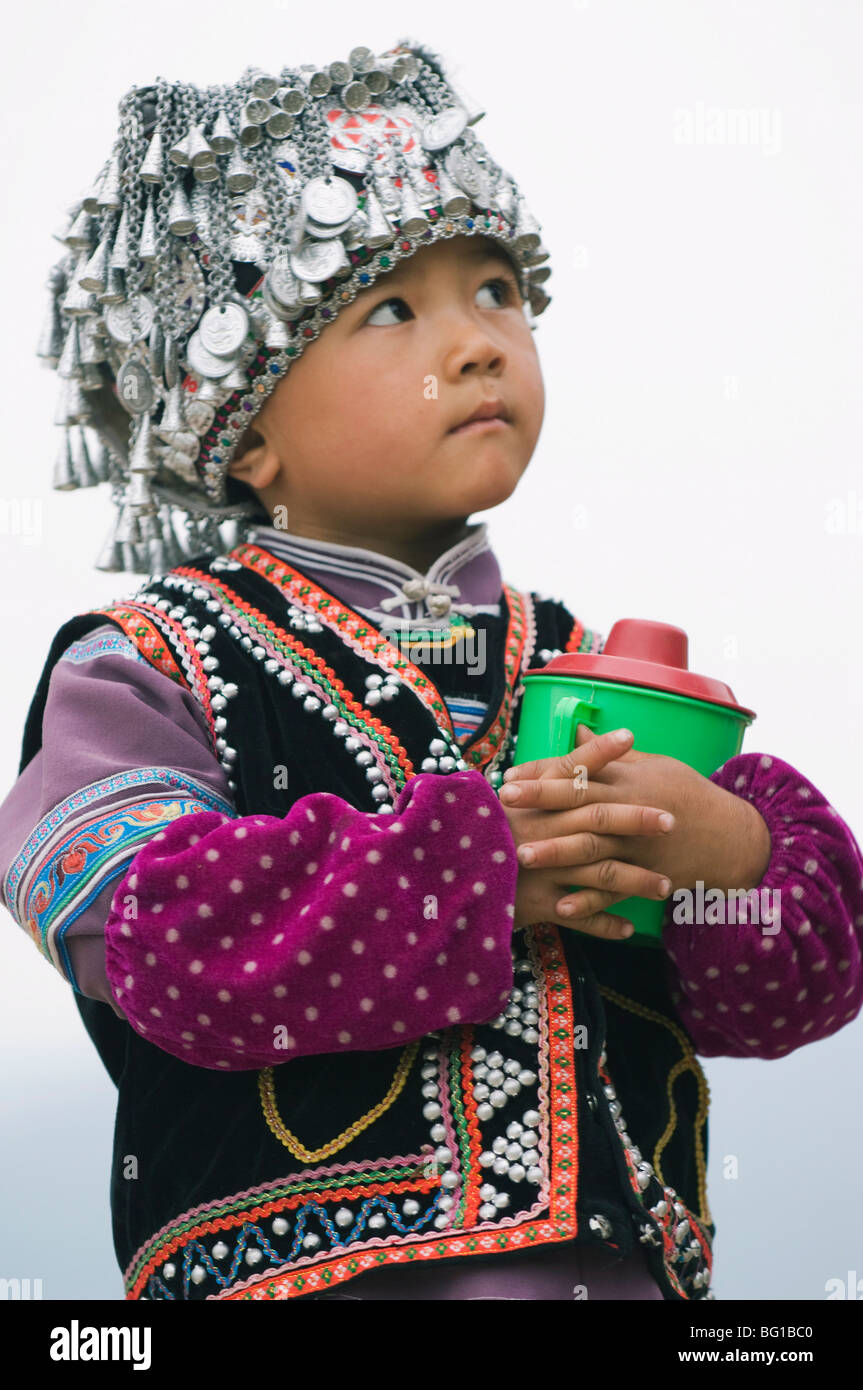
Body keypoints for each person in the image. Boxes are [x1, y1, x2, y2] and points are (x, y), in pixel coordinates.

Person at [2, 39, 861, 1303]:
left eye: (498, 289)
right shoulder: (147, 669)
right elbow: (151, 930)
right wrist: (476, 869)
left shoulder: (597, 672)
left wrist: (721, 854)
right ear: (241, 427)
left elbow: (797, 980)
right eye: (390, 307)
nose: (475, 343)